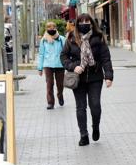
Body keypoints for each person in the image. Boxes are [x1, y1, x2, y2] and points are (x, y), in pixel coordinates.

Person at [61, 14, 114, 146]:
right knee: (81, 107)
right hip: (78, 79)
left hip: (95, 76)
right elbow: (63, 57)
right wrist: (73, 66)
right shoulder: (71, 38)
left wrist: (108, 76)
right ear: (77, 23)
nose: (84, 24)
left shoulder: (99, 37)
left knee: (95, 105)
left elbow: (106, 58)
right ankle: (83, 135)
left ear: (91, 23)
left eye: (87, 21)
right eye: (81, 21)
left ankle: (95, 127)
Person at [38, 22, 66, 110]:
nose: (51, 29)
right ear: (46, 29)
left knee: (60, 84)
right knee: (49, 84)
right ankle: (50, 103)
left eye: (53, 27)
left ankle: (60, 95)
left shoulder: (61, 39)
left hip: (60, 65)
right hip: (48, 65)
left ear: (56, 28)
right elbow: (41, 54)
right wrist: (40, 68)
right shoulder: (43, 40)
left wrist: (68, 63)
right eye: (49, 27)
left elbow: (66, 52)